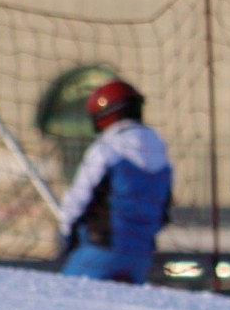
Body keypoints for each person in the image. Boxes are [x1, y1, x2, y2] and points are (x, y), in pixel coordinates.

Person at [59, 79, 173, 286]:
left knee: (62, 304)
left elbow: (77, 199)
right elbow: (165, 207)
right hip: (141, 256)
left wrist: (67, 237)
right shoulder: (160, 150)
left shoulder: (106, 148)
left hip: (100, 249)